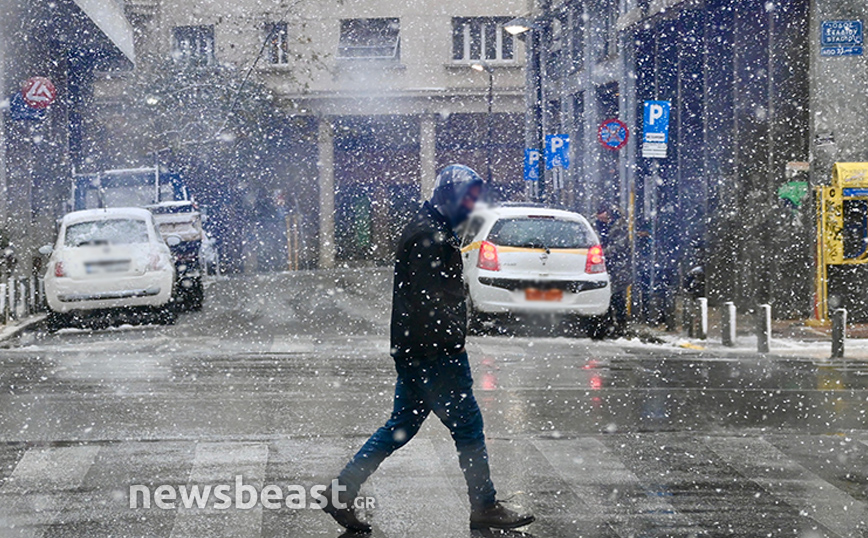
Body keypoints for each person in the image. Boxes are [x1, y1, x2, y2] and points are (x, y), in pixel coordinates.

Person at [321, 165, 535, 532]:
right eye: (467, 199)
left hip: (419, 349)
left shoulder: (431, 228)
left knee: (400, 426)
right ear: (448, 197)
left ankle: (342, 490)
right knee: (468, 427)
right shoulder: (429, 235)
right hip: (434, 352)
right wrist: (448, 344)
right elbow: (427, 302)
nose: (472, 207)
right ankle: (484, 505)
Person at [594, 202, 631, 337]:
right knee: (605, 295)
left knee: (617, 296)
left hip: (618, 267)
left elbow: (620, 246)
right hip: (602, 266)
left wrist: (602, 252)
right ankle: (607, 323)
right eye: (600, 218)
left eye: (604, 218)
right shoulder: (596, 225)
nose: (602, 220)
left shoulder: (620, 227)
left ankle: (620, 324)